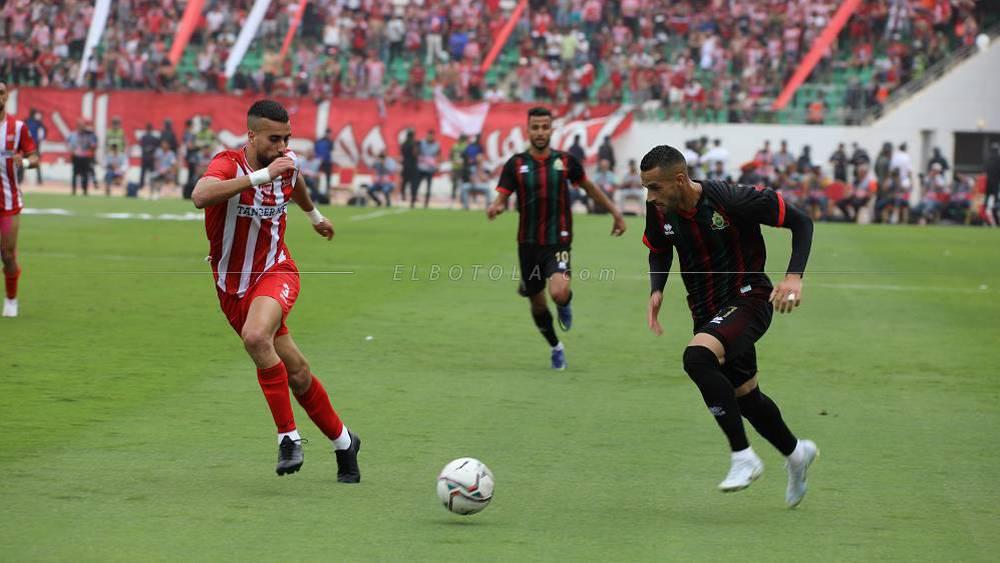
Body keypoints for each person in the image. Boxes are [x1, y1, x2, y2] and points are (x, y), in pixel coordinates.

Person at [640, 144, 818, 506]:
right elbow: (659, 248)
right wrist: (657, 289)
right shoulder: (658, 210)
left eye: (654, 187)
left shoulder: (730, 200)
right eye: (646, 188)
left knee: (697, 359)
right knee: (747, 398)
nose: (649, 196)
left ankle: (743, 456)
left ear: (679, 179)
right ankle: (797, 454)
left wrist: (794, 277)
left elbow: (801, 221)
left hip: (750, 299)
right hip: (706, 312)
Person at [191, 99, 361, 480]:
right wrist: (261, 176)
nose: (283, 146)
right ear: (251, 135)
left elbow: (294, 180)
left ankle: (289, 439)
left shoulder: (285, 163)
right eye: (274, 138)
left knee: (255, 337)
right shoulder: (229, 163)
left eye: (287, 138)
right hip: (231, 286)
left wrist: (315, 217)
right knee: (296, 371)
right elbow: (201, 196)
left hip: (276, 270)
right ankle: (345, 441)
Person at [487, 107, 627, 370]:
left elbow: (590, 187)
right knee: (538, 305)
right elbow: (503, 196)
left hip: (557, 241)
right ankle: (555, 347)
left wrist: (615, 212)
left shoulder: (566, 162)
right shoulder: (516, 164)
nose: (540, 132)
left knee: (559, 292)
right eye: (535, 127)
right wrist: (496, 206)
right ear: (528, 131)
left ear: (552, 130)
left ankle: (564, 303)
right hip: (527, 244)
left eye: (545, 127)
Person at [0, 82, 40, 318]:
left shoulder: (18, 127)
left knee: (6, 253)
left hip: (8, 203)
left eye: (1, 92)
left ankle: (11, 299)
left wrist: (22, 161)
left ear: (6, 97)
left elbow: (35, 157)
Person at [415, 129, 440, 208]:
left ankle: (426, 203)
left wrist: (437, 165)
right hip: (421, 167)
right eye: (428, 136)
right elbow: (417, 152)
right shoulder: (421, 143)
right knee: (417, 184)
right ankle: (413, 200)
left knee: (428, 186)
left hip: (430, 169)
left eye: (431, 136)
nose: (429, 137)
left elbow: (438, 155)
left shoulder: (436, 145)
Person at [314, 129, 334, 194]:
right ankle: (315, 190)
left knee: (328, 177)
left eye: (330, 134)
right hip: (320, 161)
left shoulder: (330, 142)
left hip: (327, 162)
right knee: (317, 176)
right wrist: (319, 157)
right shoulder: (319, 141)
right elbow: (316, 150)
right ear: (326, 133)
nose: (329, 135)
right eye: (329, 134)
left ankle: (327, 191)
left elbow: (330, 151)